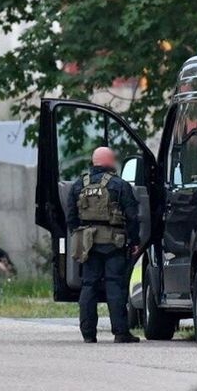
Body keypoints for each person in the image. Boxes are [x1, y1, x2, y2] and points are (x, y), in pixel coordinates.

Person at [67, 146, 141, 344]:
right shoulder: (119, 185)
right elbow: (133, 216)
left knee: (88, 286)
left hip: (88, 245)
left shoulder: (78, 185)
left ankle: (88, 334)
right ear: (109, 162)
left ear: (94, 162)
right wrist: (135, 241)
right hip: (113, 243)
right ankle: (120, 332)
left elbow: (71, 218)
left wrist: (81, 236)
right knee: (115, 286)